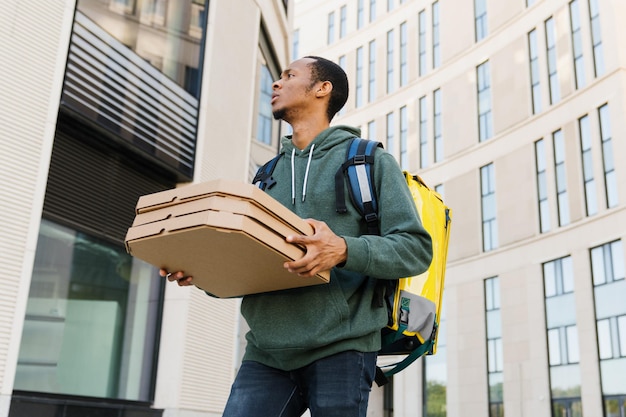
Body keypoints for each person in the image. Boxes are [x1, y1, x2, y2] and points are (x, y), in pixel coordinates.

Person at [160, 56, 432, 417]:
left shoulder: (368, 161)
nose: (276, 83)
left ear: (323, 89)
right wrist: (204, 271)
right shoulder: (265, 176)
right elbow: (250, 265)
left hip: (344, 346)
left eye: (289, 75)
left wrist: (343, 249)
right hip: (266, 352)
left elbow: (414, 249)